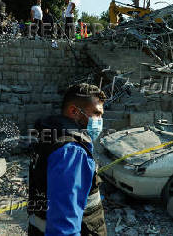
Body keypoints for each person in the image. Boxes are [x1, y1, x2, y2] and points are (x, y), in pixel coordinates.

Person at [28, 83, 108, 236]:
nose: (99, 120)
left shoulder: (49, 134)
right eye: (96, 113)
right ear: (74, 111)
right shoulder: (72, 150)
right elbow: (65, 226)